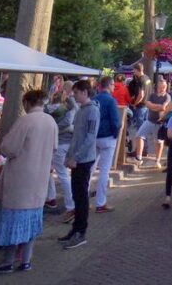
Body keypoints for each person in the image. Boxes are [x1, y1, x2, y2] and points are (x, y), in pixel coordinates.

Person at [0, 90, 58, 273]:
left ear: (27, 102)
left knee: (13, 221)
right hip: (40, 178)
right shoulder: (50, 121)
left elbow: (8, 147)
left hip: (21, 179)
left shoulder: (25, 120)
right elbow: (54, 148)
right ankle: (26, 260)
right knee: (31, 222)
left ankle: (8, 261)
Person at [58, 80, 100, 249]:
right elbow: (77, 136)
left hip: (84, 160)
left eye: (76, 93)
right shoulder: (81, 110)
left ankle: (80, 232)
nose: (74, 96)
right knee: (77, 195)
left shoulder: (92, 111)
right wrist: (69, 155)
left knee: (81, 196)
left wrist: (76, 156)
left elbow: (90, 137)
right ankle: (75, 229)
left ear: (84, 92)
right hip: (77, 158)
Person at [45, 81, 79, 222]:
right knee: (58, 172)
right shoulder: (69, 108)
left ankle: (70, 205)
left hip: (58, 144)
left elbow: (66, 122)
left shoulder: (48, 111)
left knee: (60, 173)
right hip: (64, 143)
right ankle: (53, 199)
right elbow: (69, 121)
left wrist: (55, 129)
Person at [93, 76, 120, 213]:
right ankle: (100, 203)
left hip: (94, 138)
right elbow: (115, 121)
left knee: (90, 170)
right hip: (108, 137)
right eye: (113, 85)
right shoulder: (111, 100)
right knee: (104, 171)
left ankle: (80, 201)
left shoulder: (94, 99)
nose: (114, 87)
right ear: (109, 85)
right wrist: (116, 134)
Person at [131, 79, 171, 168]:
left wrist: (154, 107)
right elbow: (148, 104)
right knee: (139, 135)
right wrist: (157, 107)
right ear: (157, 87)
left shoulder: (167, 96)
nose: (162, 88)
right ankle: (139, 158)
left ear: (166, 87)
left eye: (164, 87)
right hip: (149, 120)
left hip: (159, 123)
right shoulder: (152, 95)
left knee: (159, 142)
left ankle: (157, 160)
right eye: (160, 87)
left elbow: (164, 107)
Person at [127, 63, 152, 138]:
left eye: (134, 71)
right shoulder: (147, 78)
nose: (134, 72)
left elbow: (141, 94)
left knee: (140, 128)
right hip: (147, 106)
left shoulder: (141, 79)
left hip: (141, 106)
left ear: (137, 70)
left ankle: (140, 148)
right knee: (145, 128)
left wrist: (135, 104)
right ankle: (145, 147)